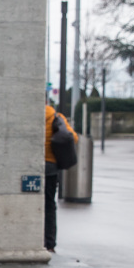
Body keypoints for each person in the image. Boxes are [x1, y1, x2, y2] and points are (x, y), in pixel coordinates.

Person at [44, 103, 77, 253]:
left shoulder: (29, 116)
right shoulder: (56, 117)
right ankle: (49, 243)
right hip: (50, 166)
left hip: (30, 167)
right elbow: (73, 138)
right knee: (49, 205)